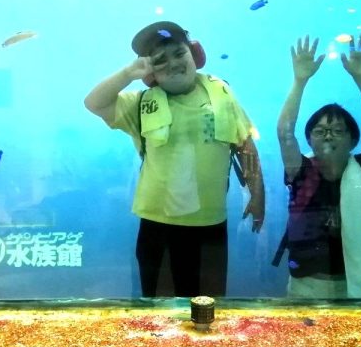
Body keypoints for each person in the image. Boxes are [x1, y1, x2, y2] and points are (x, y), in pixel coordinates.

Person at [84, 21, 265, 298]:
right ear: (150, 72)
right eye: (160, 60)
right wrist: (128, 73)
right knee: (161, 307)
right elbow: (93, 103)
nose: (173, 64)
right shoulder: (141, 103)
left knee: (208, 304)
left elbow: (245, 145)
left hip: (211, 224)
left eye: (179, 53)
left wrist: (258, 196)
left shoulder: (222, 94)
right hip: (158, 225)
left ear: (195, 54)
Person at [273, 33, 361, 299]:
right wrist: (299, 81)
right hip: (305, 286)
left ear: (353, 140)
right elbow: (284, 132)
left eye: (338, 130)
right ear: (308, 140)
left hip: (353, 285)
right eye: (320, 131)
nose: (328, 136)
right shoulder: (301, 170)